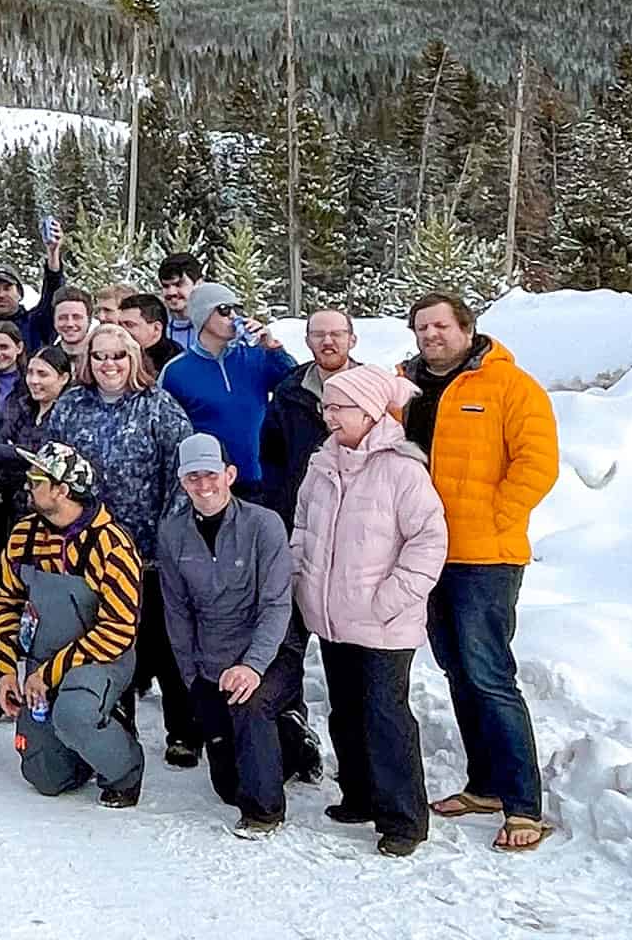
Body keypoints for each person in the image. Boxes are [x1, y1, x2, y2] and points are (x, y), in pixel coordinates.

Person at [400, 293, 561, 853]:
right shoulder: (407, 386)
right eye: (422, 327)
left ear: (467, 328)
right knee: (456, 670)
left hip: (485, 557)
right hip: (426, 554)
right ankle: (485, 784)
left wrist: (497, 516)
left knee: (490, 674)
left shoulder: (510, 385)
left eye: (441, 325)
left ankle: (523, 804)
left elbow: (537, 463)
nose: (431, 335)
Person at [293, 365, 449, 857]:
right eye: (328, 407)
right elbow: (303, 526)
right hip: (334, 616)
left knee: (386, 715)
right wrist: (302, 578)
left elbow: (429, 539)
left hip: (384, 621)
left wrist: (392, 597)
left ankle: (403, 816)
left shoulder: (402, 469)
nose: (329, 416)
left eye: (340, 408)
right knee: (346, 711)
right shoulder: (323, 465)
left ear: (369, 412)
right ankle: (358, 795)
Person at [50, 322, 198, 764]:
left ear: (133, 358)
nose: (108, 364)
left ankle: (183, 731)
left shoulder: (158, 407)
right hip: (88, 549)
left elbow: (181, 471)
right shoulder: (70, 407)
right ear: (87, 361)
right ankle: (115, 726)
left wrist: (167, 535)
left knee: (161, 642)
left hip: (147, 552)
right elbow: (54, 471)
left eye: (118, 355)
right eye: (100, 356)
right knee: (103, 642)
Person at [154, 435, 308, 838]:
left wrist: (253, 667)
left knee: (249, 704)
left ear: (230, 474)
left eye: (211, 475)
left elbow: (276, 605)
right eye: (192, 478)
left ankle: (264, 813)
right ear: (181, 482)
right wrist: (192, 677)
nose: (203, 486)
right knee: (228, 787)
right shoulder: (172, 533)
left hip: (270, 652)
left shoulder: (264, 524)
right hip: (211, 658)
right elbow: (177, 610)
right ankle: (290, 740)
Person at [0, 441, 144, 807]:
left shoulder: (112, 546)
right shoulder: (23, 534)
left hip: (99, 660)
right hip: (41, 661)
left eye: (36, 478)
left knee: (74, 713)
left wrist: (48, 674)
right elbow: (5, 600)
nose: (27, 483)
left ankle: (125, 769)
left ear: (62, 489)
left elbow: (119, 630)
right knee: (45, 777)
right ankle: (82, 748)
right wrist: (6, 670)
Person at [158, 283, 294, 505]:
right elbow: (163, 434)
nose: (233, 316)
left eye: (236, 309)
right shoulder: (176, 371)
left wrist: (273, 348)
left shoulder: (256, 356)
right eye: (224, 309)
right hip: (207, 485)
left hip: (259, 481)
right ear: (202, 315)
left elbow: (294, 389)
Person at [258, 308, 361, 525]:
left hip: (359, 515)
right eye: (318, 334)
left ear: (352, 340)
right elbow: (271, 458)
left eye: (337, 334)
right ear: (307, 341)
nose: (327, 341)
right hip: (301, 516)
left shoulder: (374, 390)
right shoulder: (288, 392)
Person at [0, 344, 73, 583]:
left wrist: (16, 453)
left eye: (42, 374)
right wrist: (26, 454)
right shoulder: (22, 406)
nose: (34, 380)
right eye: (31, 373)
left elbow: (50, 464)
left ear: (63, 378)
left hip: (50, 514)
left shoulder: (68, 414)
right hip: (14, 508)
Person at [118, 292, 183, 375]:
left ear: (156, 328)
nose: (121, 330)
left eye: (130, 325)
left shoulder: (176, 364)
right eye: (119, 324)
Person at [157, 252, 206, 353]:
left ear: (199, 284)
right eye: (165, 286)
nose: (171, 292)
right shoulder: (156, 328)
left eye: (179, 284)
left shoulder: (218, 326)